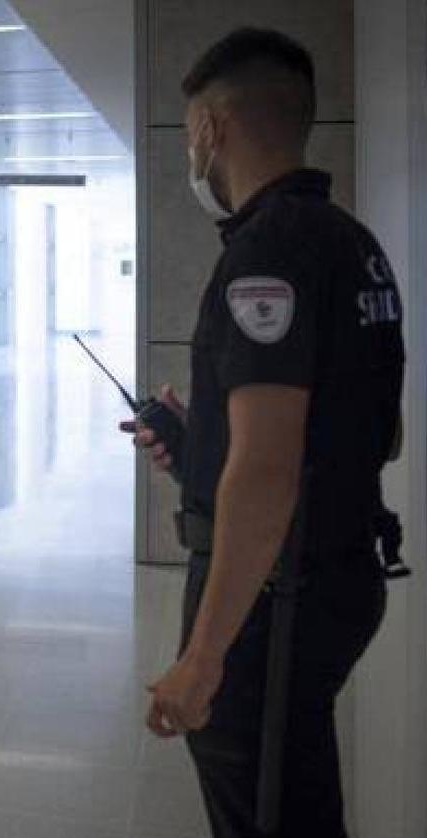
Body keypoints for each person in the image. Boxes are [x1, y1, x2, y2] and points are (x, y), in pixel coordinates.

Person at [123, 29, 404, 837]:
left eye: (188, 133)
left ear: (210, 128)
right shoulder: (354, 244)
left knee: (268, 813)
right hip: (340, 567)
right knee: (298, 797)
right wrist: (200, 440)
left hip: (278, 599)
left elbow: (271, 466)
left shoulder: (265, 250)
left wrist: (203, 657)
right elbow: (375, 432)